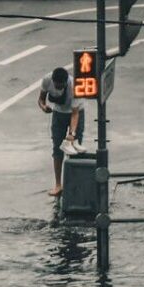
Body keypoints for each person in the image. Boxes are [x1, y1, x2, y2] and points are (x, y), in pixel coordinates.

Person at [37, 66, 86, 197]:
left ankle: (74, 184)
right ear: (53, 81)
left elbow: (75, 114)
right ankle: (58, 184)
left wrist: (72, 133)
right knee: (57, 148)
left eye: (61, 86)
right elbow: (41, 99)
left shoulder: (74, 86)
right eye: (57, 86)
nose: (58, 88)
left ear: (66, 82)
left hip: (76, 112)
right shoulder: (47, 80)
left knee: (74, 147)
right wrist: (44, 107)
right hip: (58, 113)